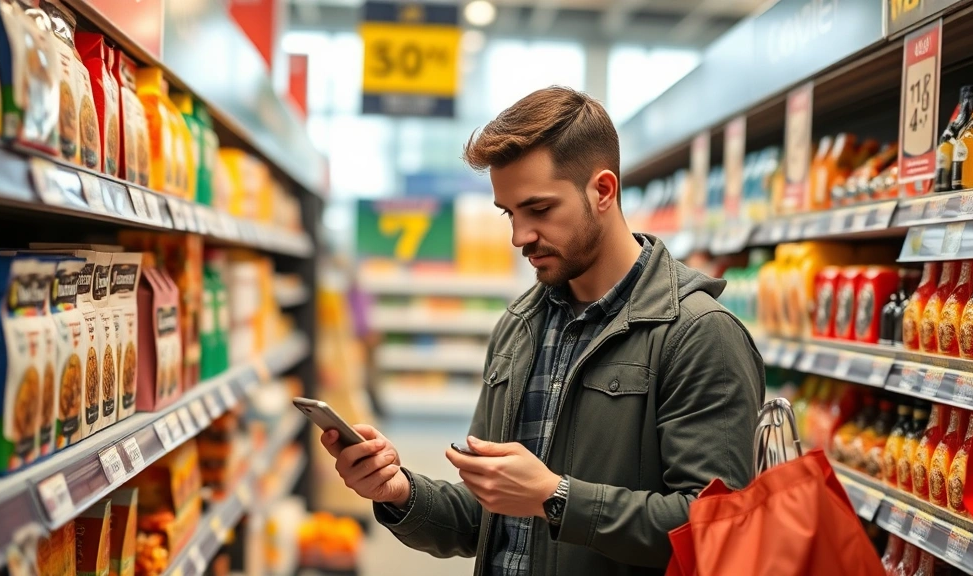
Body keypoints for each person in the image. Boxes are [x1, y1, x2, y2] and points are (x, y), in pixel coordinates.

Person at [320, 86, 765, 576]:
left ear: (603, 191)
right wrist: (399, 490)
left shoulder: (698, 333)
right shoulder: (519, 327)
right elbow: (484, 517)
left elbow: (716, 531)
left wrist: (556, 499)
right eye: (509, 213)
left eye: (539, 209)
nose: (519, 237)